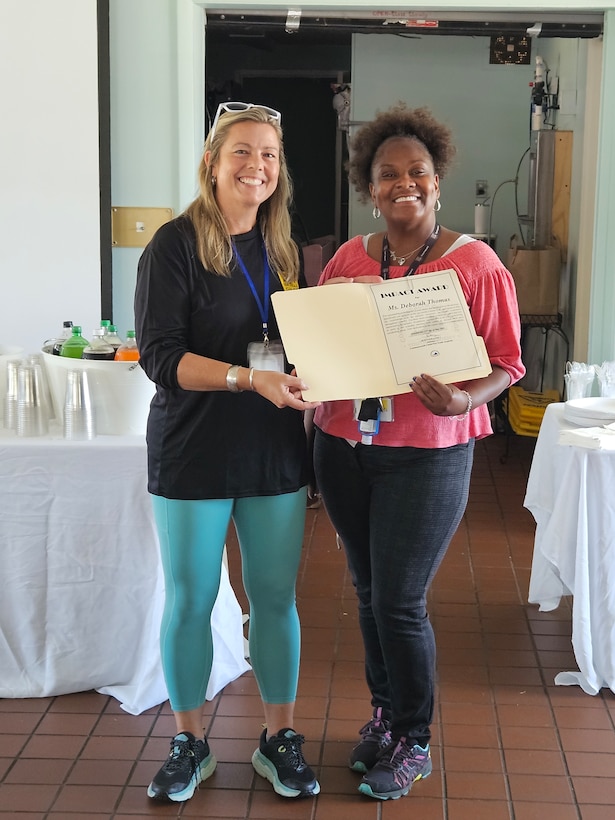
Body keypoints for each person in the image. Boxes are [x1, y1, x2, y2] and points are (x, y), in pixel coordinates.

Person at [312, 103, 525, 801]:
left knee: (401, 601)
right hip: (344, 446)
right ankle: (382, 715)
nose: (403, 183)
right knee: (369, 595)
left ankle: (413, 738)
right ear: (368, 188)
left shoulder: (476, 264)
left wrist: (467, 400)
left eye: (417, 172)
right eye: (386, 175)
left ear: (437, 183)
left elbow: (507, 363)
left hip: (427, 453)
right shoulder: (348, 259)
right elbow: (327, 347)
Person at [134, 101, 321, 804]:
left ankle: (278, 740)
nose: (256, 166)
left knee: (273, 599)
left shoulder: (279, 246)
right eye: (241, 152)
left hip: (270, 446)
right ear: (212, 162)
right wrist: (251, 378)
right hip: (192, 451)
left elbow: (292, 338)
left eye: (268, 155)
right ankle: (190, 742)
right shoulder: (175, 245)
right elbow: (160, 358)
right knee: (191, 600)